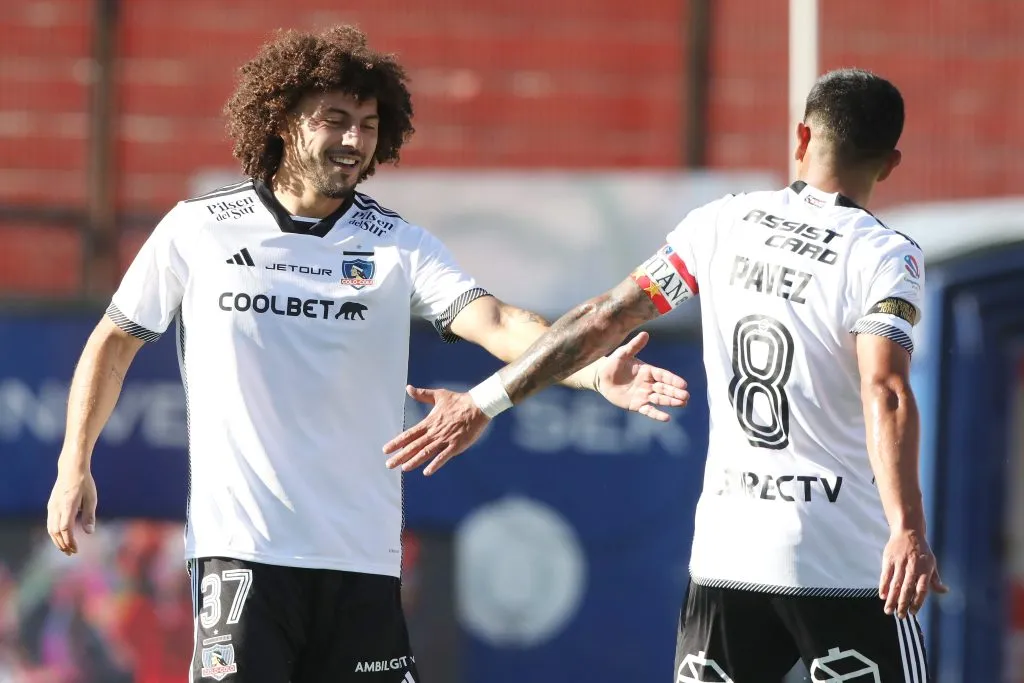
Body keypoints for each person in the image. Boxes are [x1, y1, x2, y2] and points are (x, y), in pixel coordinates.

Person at [44, 25, 689, 683]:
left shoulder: (397, 244)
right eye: (336, 120)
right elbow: (114, 341)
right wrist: (74, 465)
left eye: (370, 124)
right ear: (284, 120)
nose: (355, 140)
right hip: (244, 553)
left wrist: (587, 371)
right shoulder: (197, 229)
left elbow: (495, 320)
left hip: (362, 561)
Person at [384, 68, 947, 681]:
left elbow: (602, 318)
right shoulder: (885, 256)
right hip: (847, 563)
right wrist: (908, 529)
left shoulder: (722, 225)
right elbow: (885, 388)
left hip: (731, 555)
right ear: (891, 163)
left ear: (802, 138)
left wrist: (483, 402)